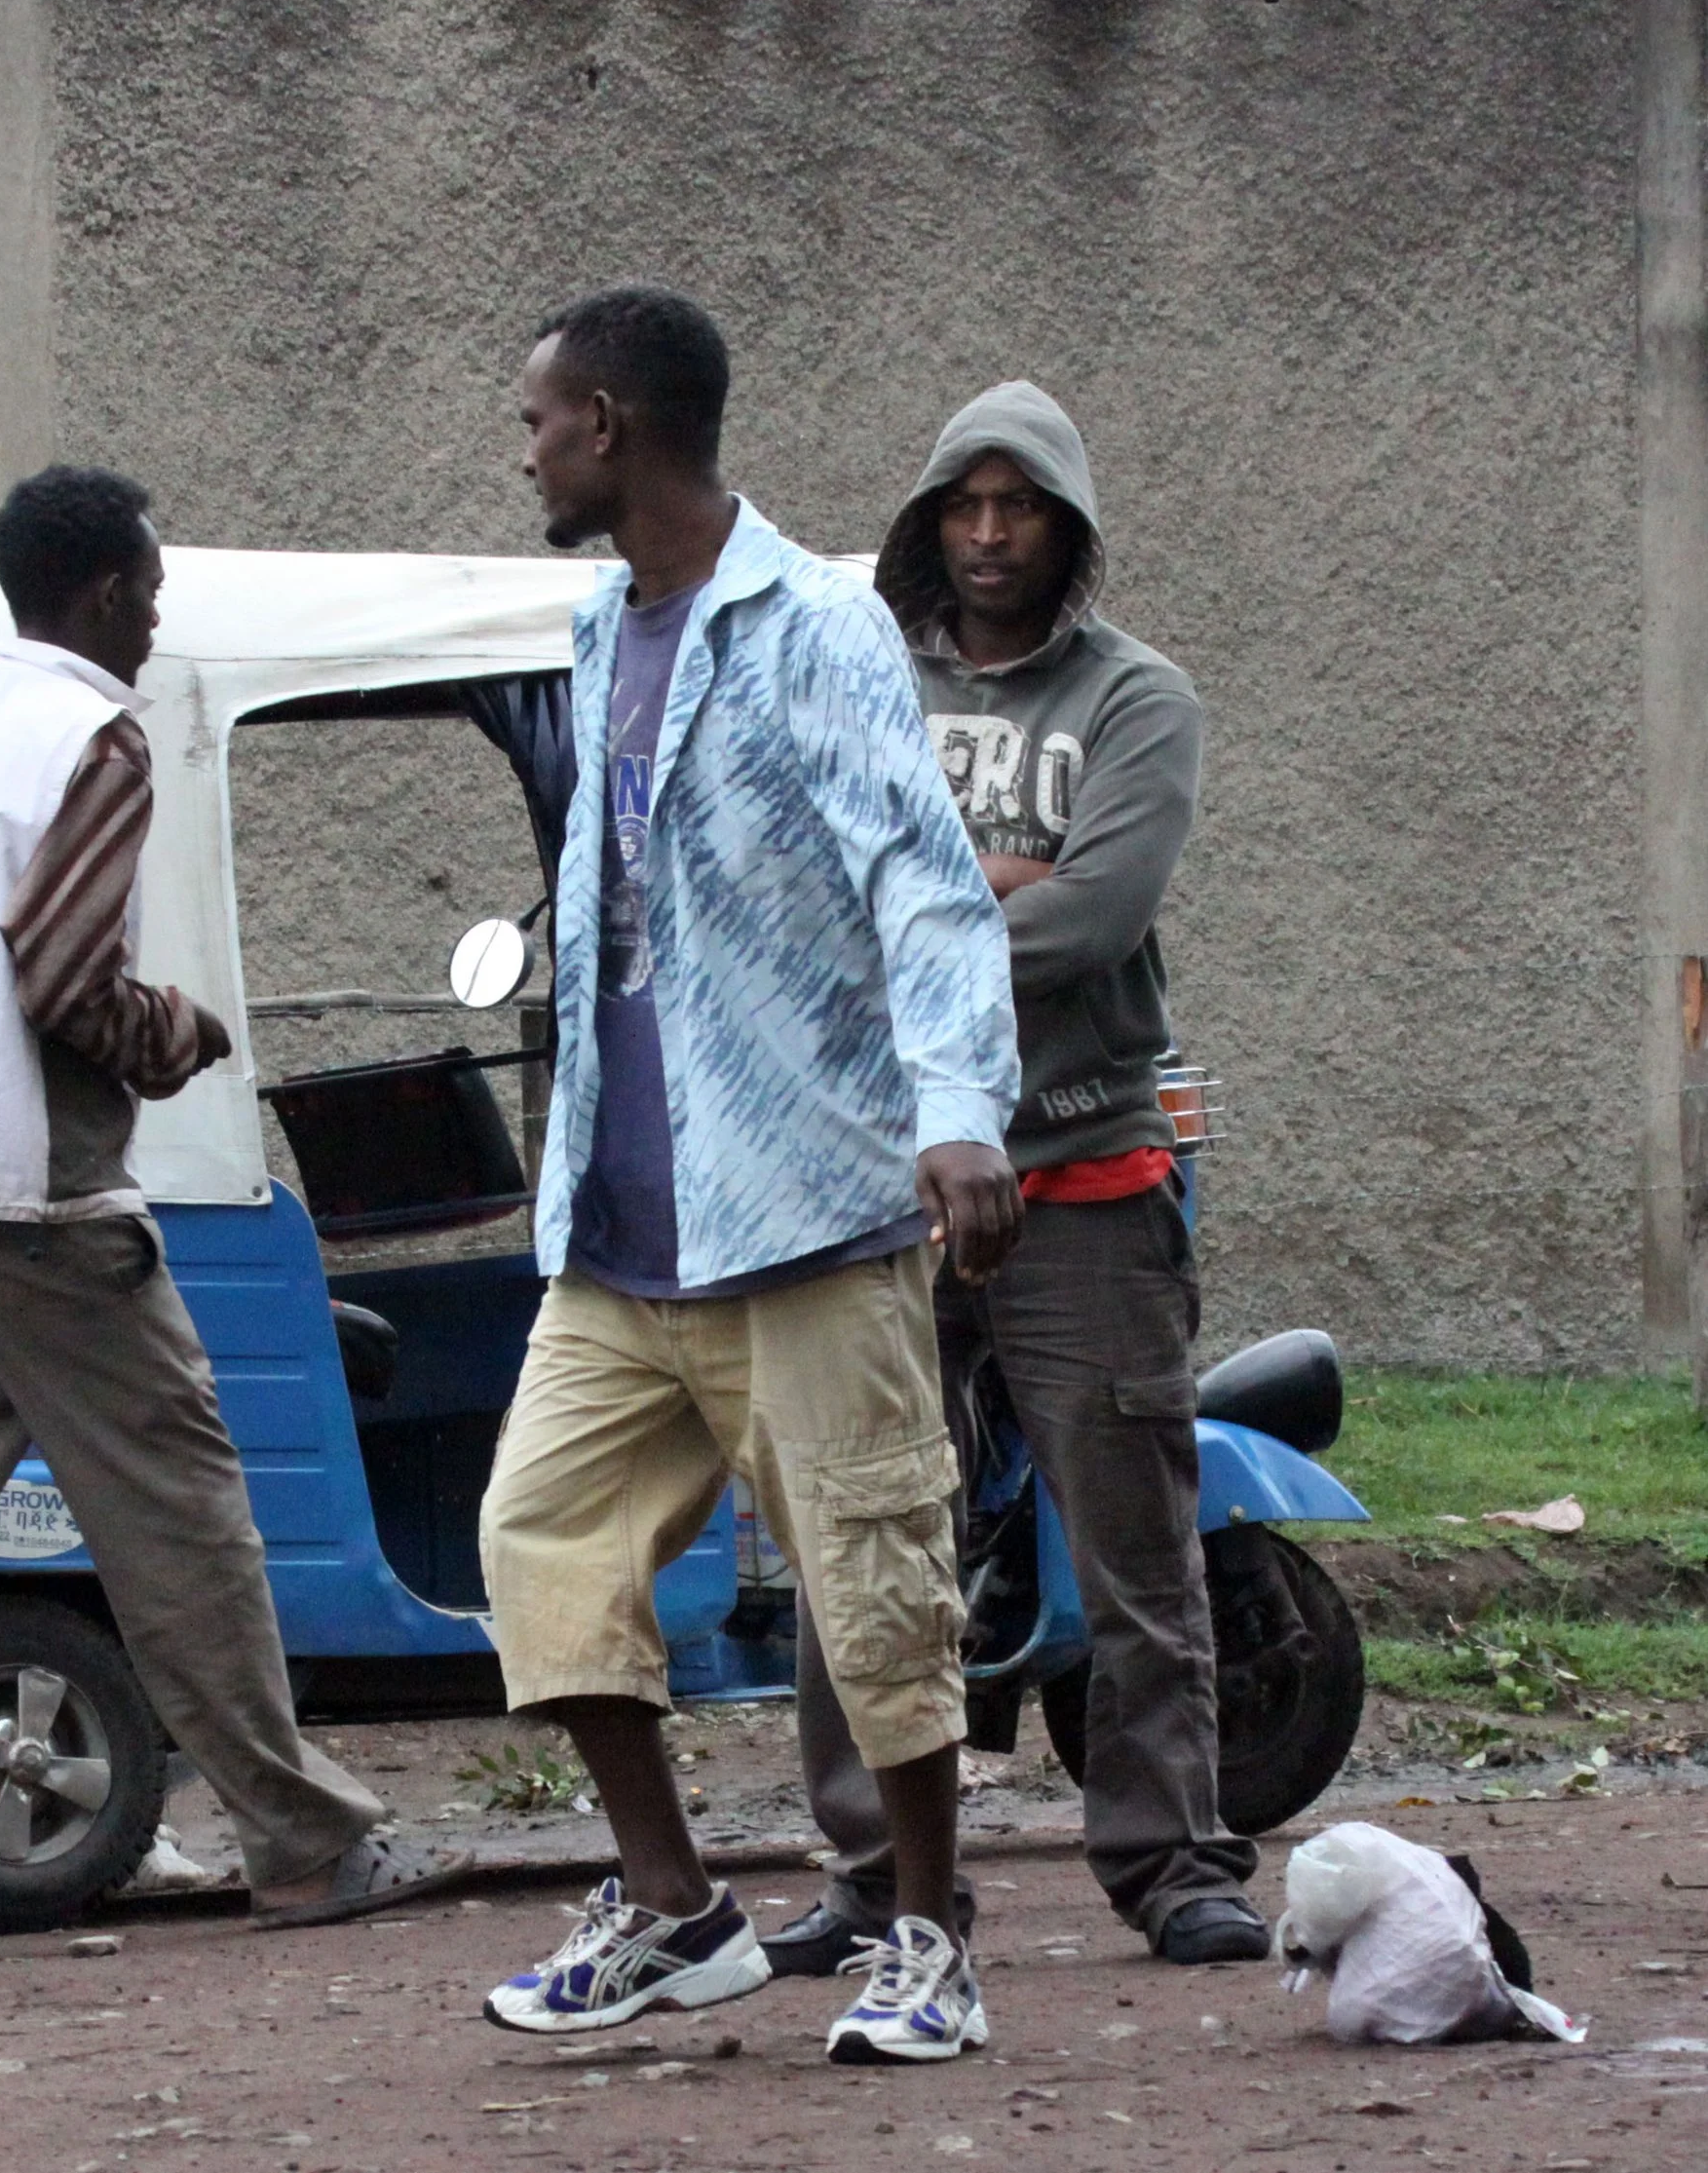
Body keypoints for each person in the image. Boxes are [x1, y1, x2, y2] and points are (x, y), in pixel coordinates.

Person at [0, 465, 465, 1970]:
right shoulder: (96, 738)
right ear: (111, 594)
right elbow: (63, 980)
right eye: (151, 597)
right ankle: (304, 1842)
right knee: (182, 1512)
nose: (154, 623)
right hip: (35, 1190)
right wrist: (175, 1029)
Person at [474, 288, 1022, 2064]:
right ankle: (679, 1908)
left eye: (544, 415)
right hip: (622, 1234)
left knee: (874, 1597)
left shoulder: (820, 627)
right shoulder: (589, 631)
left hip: (801, 1214)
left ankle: (933, 1939)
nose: (529, 444)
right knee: (537, 1542)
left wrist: (958, 1109)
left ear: (615, 424)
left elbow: (925, 883)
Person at [759, 382, 1269, 1978]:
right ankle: (873, 1872)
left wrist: (915, 905)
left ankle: (1171, 1861)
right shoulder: (863, 677)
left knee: (1132, 1538)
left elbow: (1097, 916)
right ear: (928, 520)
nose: (990, 536)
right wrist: (976, 892)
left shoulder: (1138, 701)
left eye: (1021, 506)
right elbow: (800, 884)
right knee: (865, 1530)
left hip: (1084, 1174)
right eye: (965, 506)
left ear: (1068, 527)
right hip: (881, 1181)